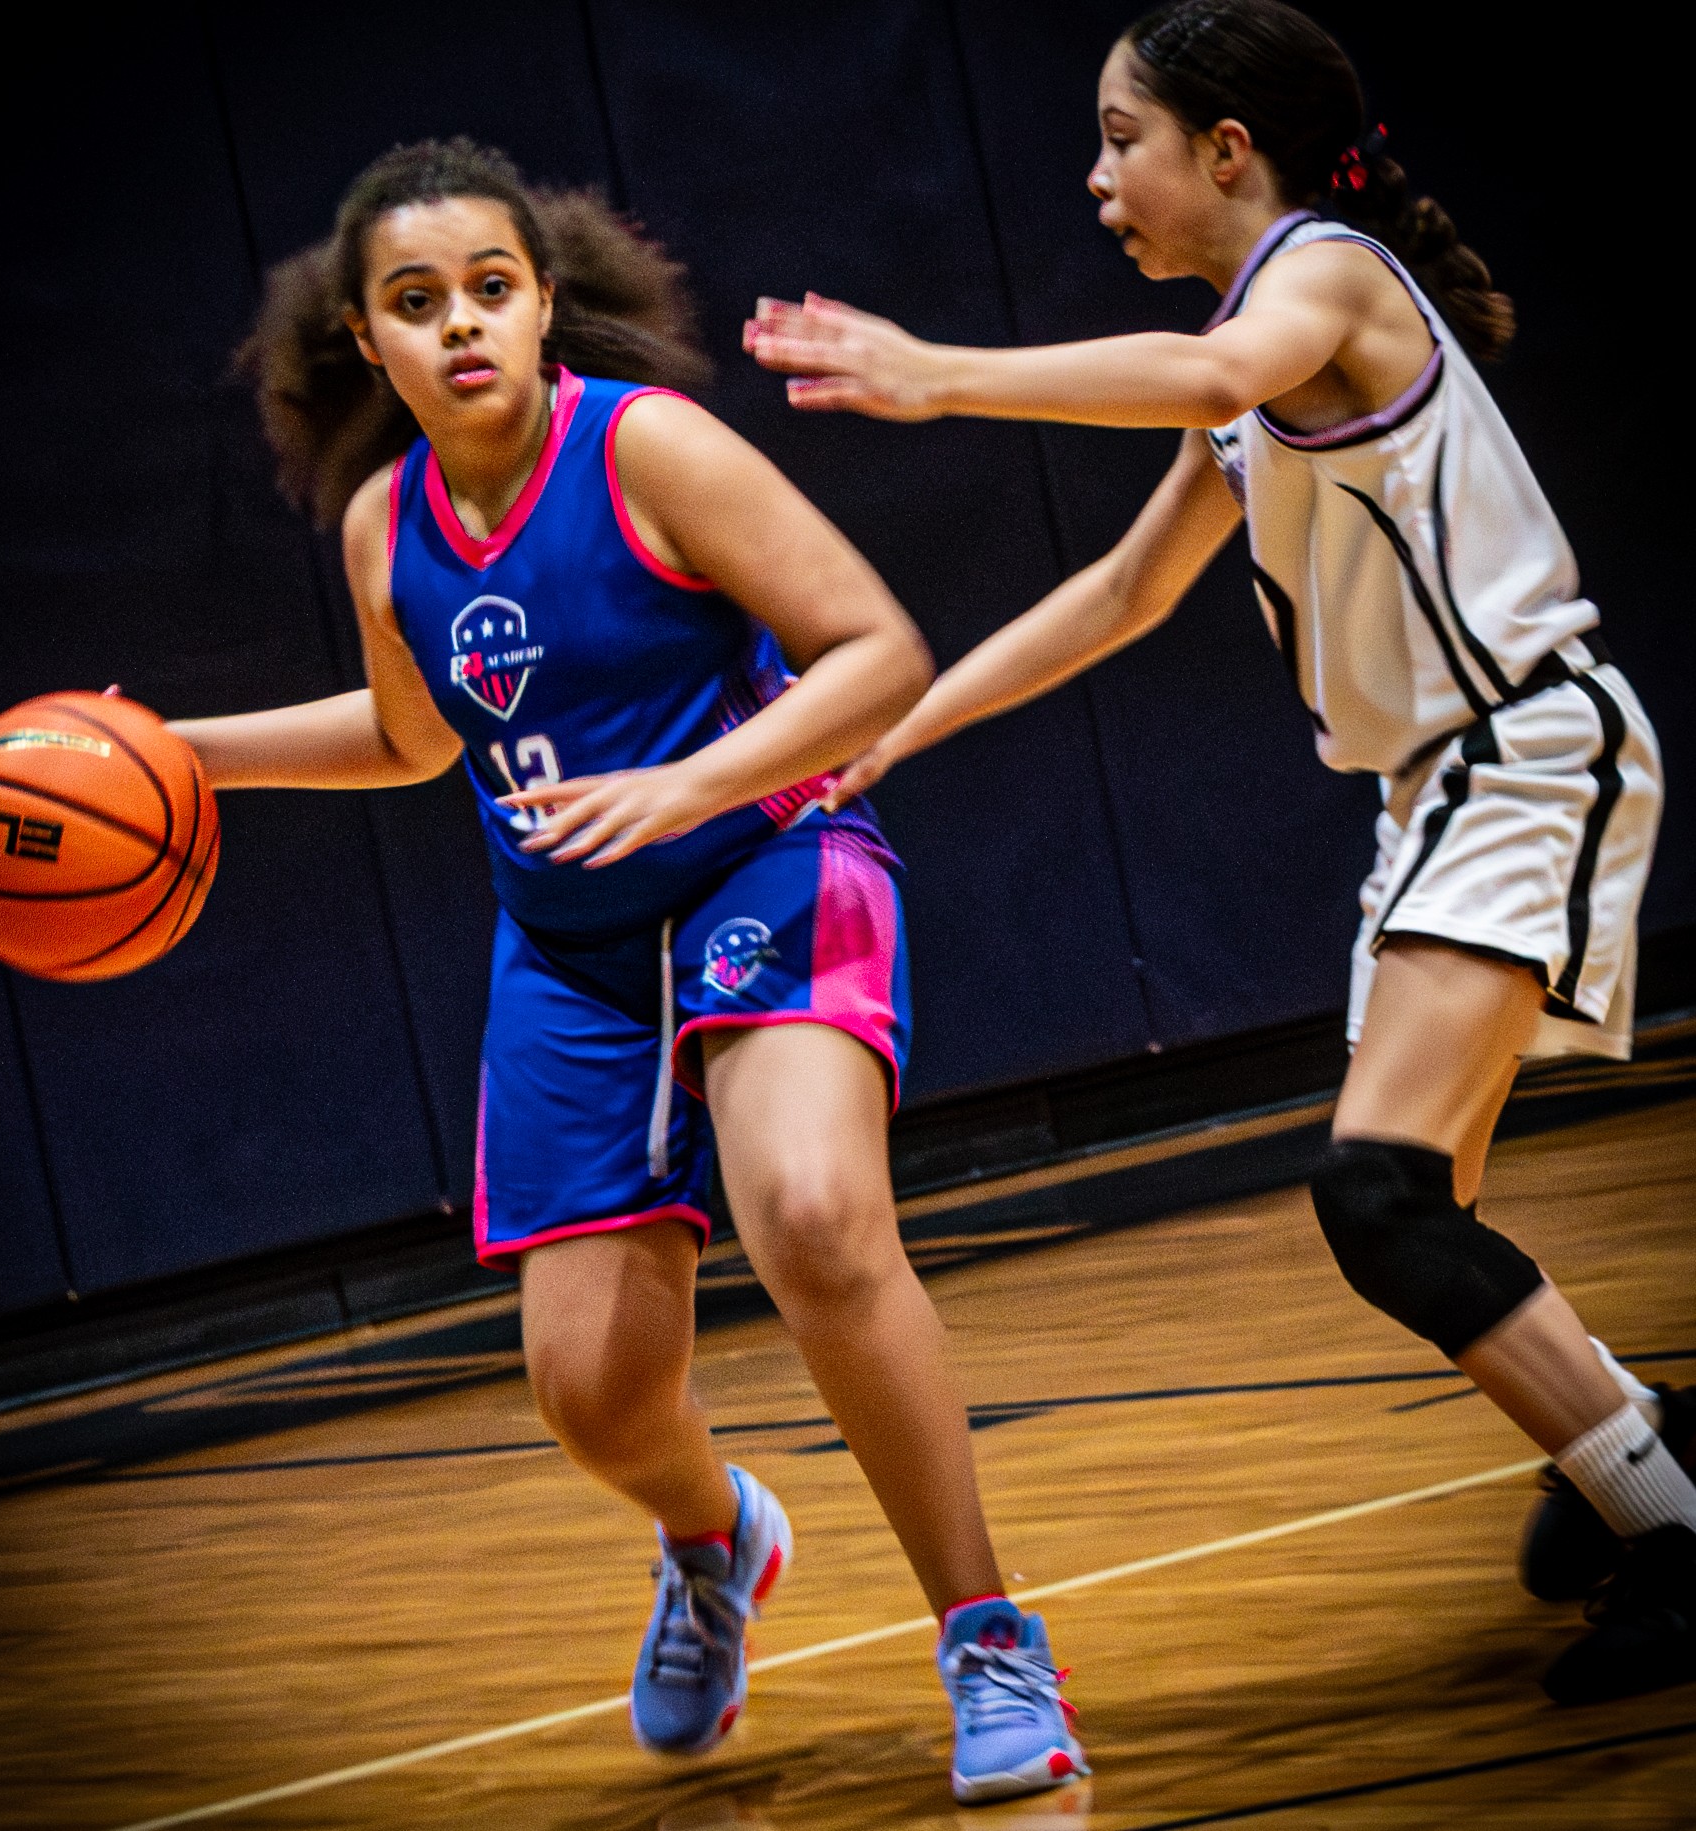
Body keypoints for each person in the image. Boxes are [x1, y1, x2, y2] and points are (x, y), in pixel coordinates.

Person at [745, 0, 1696, 1705]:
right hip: (1442, 788)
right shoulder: (1254, 371)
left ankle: (1671, 1518)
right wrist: (893, 732)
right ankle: (1632, 1444)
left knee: (1378, 1194)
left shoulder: (1324, 279)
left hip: (1523, 752)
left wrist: (938, 375)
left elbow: (1199, 376)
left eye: (1124, 138)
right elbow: (1122, 594)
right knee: (1421, 1206)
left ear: (1228, 150)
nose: (1097, 174)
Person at [169, 140, 1083, 1803]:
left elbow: (878, 652)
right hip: (574, 952)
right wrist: (179, 755)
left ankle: (989, 1635)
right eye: (416, 301)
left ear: (545, 301)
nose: (461, 324)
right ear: (366, 340)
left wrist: (689, 787)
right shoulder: (386, 526)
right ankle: (714, 1539)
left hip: (765, 862)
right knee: (590, 1396)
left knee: (813, 1213)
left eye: (490, 289)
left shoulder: (645, 447)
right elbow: (413, 737)